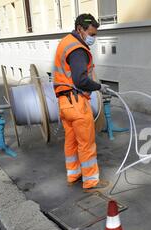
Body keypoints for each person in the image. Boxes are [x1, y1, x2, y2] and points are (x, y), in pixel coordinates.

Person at [53, 14, 110, 192]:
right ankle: (91, 181)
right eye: (92, 34)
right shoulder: (78, 49)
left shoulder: (66, 42)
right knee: (86, 143)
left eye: (95, 34)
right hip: (77, 102)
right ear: (80, 29)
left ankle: (73, 174)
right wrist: (99, 87)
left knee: (71, 141)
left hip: (64, 103)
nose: (94, 38)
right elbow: (81, 81)